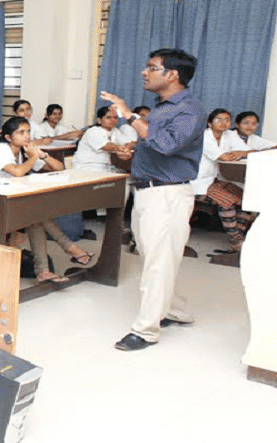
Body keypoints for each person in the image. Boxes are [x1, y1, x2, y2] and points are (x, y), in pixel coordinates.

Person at [101, 48, 206, 351]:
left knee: (158, 263)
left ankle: (146, 330)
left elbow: (166, 144)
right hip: (148, 191)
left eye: (152, 67)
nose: (144, 73)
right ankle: (174, 310)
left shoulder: (190, 108)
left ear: (172, 74)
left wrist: (129, 115)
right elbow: (153, 142)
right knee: (155, 257)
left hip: (168, 194)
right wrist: (134, 149)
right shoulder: (162, 108)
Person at [0, 117, 94, 281]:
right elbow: (17, 172)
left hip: (8, 199)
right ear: (9, 137)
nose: (27, 136)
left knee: (35, 217)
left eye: (28, 131)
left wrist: (42, 155)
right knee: (35, 215)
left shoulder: (24, 152)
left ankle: (45, 269)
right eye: (21, 132)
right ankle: (65, 250)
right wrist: (32, 157)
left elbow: (60, 168)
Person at [191, 108, 253, 252]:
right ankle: (236, 242)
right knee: (227, 201)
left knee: (247, 198)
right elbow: (224, 157)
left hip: (213, 180)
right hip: (196, 182)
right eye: (219, 119)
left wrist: (240, 152)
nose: (223, 123)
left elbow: (249, 151)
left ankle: (239, 238)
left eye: (227, 120)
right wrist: (238, 153)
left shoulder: (229, 135)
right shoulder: (203, 137)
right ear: (209, 123)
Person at [72, 106, 133, 172]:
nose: (113, 120)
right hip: (88, 167)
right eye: (108, 117)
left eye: (115, 117)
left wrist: (130, 146)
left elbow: (127, 142)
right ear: (99, 120)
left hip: (106, 167)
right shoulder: (93, 131)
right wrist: (120, 148)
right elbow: (107, 146)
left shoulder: (115, 131)